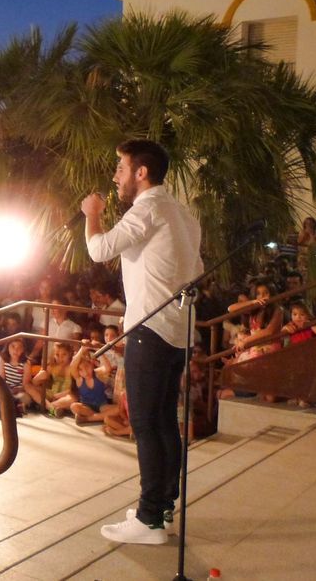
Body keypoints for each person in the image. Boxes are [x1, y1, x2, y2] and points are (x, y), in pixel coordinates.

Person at [83, 139, 202, 545]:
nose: (115, 176)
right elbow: (196, 267)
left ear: (141, 173)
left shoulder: (147, 209)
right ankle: (163, 507)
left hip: (149, 330)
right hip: (178, 329)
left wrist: (92, 215)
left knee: (147, 424)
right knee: (165, 421)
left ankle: (150, 519)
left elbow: (99, 250)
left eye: (120, 167)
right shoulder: (182, 213)